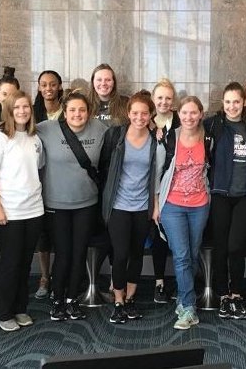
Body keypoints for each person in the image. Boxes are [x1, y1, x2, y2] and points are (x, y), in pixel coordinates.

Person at [37, 91, 107, 321]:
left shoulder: (100, 129)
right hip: (56, 204)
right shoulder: (46, 129)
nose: (78, 114)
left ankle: (72, 299)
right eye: (73, 110)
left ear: (89, 112)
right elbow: (18, 130)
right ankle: (57, 299)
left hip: (87, 203)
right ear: (64, 113)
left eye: (82, 110)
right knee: (63, 253)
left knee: (79, 253)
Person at [0, 90, 45, 332]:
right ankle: (3, 312)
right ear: (8, 110)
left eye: (25, 106)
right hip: (9, 212)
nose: (22, 111)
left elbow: (35, 171)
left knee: (25, 263)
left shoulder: (35, 138)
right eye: (16, 107)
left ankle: (20, 308)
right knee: (10, 263)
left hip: (34, 210)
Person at [99, 91, 161, 324]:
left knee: (136, 254)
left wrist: (155, 206)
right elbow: (104, 167)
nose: (139, 117)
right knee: (120, 254)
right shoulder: (116, 136)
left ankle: (130, 298)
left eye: (144, 113)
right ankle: (118, 300)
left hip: (142, 206)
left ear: (151, 114)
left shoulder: (156, 140)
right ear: (128, 113)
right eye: (135, 113)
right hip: (118, 205)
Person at [204, 82, 246, 320]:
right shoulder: (213, 124)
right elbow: (187, 125)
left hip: (245, 196)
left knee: (236, 246)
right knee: (220, 246)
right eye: (227, 102)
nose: (232, 106)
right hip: (220, 194)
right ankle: (223, 295)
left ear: (244, 102)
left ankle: (237, 294)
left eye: (236, 101)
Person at [155, 96, 211, 330]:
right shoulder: (169, 137)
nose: (189, 117)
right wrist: (156, 204)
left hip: (200, 205)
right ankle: (189, 308)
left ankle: (183, 296)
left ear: (201, 114)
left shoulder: (208, 138)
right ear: (179, 115)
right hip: (172, 205)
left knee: (192, 254)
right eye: (185, 113)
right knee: (181, 255)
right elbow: (157, 171)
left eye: (193, 112)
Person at [31, 70, 64, 299]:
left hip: (62, 175)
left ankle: (62, 276)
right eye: (44, 84)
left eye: (52, 84)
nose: (48, 88)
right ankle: (44, 276)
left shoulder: (68, 111)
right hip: (38, 176)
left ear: (59, 86)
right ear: (39, 87)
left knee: (61, 233)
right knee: (43, 234)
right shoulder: (33, 113)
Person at [151, 78, 179, 303]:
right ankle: (159, 282)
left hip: (179, 188)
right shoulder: (145, 121)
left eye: (168, 98)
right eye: (159, 97)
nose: (163, 102)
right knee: (157, 237)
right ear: (153, 99)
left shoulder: (182, 121)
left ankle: (182, 282)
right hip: (154, 189)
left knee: (179, 238)